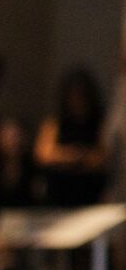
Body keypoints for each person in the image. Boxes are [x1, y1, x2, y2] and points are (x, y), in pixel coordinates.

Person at [34, 67, 108, 211]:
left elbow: (101, 158)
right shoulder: (56, 121)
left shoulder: (98, 123)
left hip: (88, 193)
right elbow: (43, 154)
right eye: (73, 96)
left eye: (81, 96)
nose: (77, 101)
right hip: (58, 194)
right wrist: (77, 156)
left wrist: (65, 156)